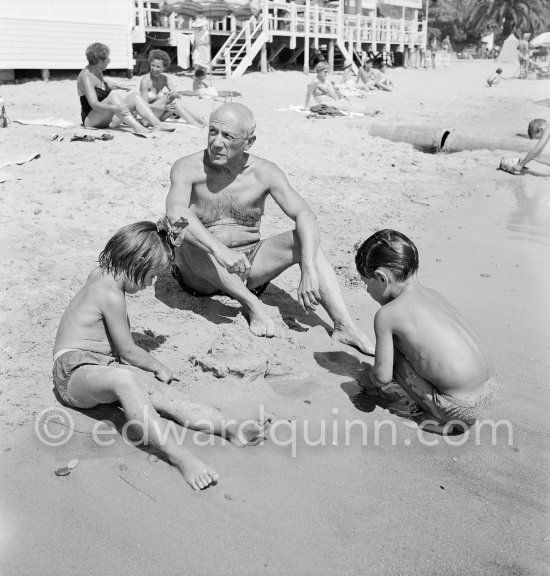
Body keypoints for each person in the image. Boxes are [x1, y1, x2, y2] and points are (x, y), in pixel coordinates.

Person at [53, 220, 271, 490]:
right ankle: (182, 458)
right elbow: (127, 351)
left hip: (101, 365)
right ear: (138, 262)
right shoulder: (109, 293)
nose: (151, 283)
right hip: (74, 370)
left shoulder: (101, 273)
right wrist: (159, 366)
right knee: (126, 380)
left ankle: (229, 427)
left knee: (160, 394)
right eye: (152, 275)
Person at [166, 103, 374, 354]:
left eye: (228, 136)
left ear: (249, 142)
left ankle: (345, 326)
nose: (217, 143)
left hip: (249, 266)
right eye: (213, 132)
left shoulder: (264, 172)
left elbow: (305, 214)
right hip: (201, 274)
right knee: (182, 232)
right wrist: (220, 251)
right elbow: (176, 212)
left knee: (305, 240)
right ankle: (252, 304)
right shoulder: (187, 167)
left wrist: (308, 269)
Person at [355, 229, 497, 433]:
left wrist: (368, 380)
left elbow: (382, 377)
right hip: (490, 388)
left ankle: (436, 419)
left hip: (460, 409)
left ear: (381, 278)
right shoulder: (433, 295)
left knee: (391, 355)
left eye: (366, 284)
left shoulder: (387, 315)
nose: (368, 291)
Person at [77, 43, 173, 135]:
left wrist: (119, 85)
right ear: (100, 62)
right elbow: (94, 104)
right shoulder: (86, 77)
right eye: (107, 59)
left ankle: (157, 124)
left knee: (135, 96)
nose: (109, 61)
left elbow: (101, 85)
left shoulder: (97, 71)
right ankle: (137, 127)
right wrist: (115, 108)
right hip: (91, 120)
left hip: (106, 118)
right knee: (113, 97)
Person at [139, 49, 205, 127]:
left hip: (161, 115)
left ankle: (199, 120)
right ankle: (191, 121)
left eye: (158, 67)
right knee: (169, 97)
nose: (154, 69)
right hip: (148, 116)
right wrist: (163, 106)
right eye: (152, 65)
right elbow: (143, 105)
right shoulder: (145, 81)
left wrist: (175, 94)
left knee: (173, 98)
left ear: (164, 67)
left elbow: (178, 97)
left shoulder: (165, 79)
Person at [305, 62, 373, 114]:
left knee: (346, 104)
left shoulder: (326, 81)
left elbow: (333, 95)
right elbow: (308, 95)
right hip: (323, 102)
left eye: (327, 72)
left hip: (330, 100)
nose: (326, 74)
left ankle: (369, 110)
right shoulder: (315, 82)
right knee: (345, 106)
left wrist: (338, 98)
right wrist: (306, 107)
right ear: (319, 71)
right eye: (325, 72)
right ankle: (367, 111)